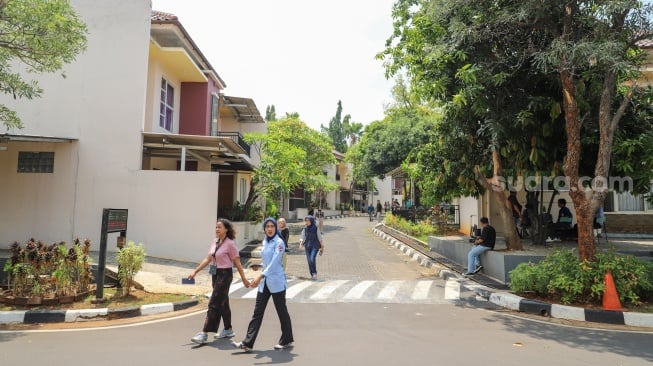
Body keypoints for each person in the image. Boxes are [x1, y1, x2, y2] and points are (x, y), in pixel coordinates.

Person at [232, 218, 294, 352]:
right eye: (267, 226)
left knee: (281, 311)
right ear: (264, 228)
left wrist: (260, 275)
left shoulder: (279, 242)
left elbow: (275, 263)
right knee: (257, 313)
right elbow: (267, 262)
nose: (270, 229)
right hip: (266, 282)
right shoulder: (265, 241)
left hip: (276, 282)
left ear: (276, 228)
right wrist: (259, 266)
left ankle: (287, 339)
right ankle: (247, 343)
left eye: (272, 226)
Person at [190, 218, 250, 344]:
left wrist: (243, 278)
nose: (217, 229)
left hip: (225, 275)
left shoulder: (230, 244)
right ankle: (228, 329)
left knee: (214, 302)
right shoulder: (215, 241)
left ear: (226, 229)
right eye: (216, 227)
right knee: (223, 302)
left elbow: (237, 263)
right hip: (215, 274)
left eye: (219, 227)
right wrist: (195, 271)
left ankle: (204, 333)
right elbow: (208, 259)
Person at [299, 215, 324, 280]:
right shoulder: (305, 228)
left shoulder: (316, 228)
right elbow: (302, 237)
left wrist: (322, 246)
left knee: (312, 259)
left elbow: (320, 237)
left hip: (315, 246)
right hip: (307, 246)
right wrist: (301, 243)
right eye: (306, 220)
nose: (307, 222)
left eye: (308, 220)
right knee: (309, 261)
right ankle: (312, 274)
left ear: (312, 221)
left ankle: (314, 273)